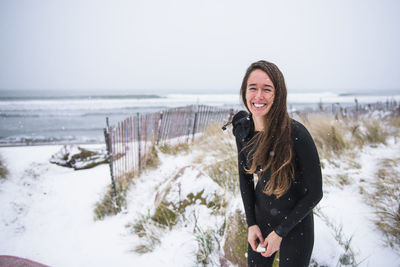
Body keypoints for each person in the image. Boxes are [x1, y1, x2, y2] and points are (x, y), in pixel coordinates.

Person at [232, 60, 323, 267]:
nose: (258, 96)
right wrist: (251, 224)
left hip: (296, 225)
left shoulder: (296, 134)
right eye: (252, 88)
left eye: (267, 89)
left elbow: (315, 192)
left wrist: (281, 232)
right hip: (261, 221)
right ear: (244, 92)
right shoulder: (243, 131)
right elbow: (244, 177)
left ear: (278, 94)